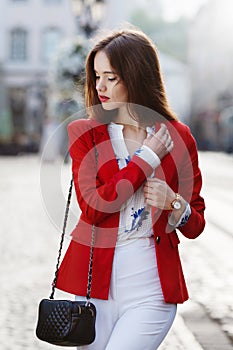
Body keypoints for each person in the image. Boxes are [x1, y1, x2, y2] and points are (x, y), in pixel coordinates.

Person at [56, 28, 205, 350]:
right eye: (96, 76)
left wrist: (175, 204)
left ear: (136, 76)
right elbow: (94, 208)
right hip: (93, 288)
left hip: (151, 289)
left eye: (111, 77)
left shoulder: (179, 137)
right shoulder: (86, 132)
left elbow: (196, 224)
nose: (100, 86)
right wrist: (147, 157)